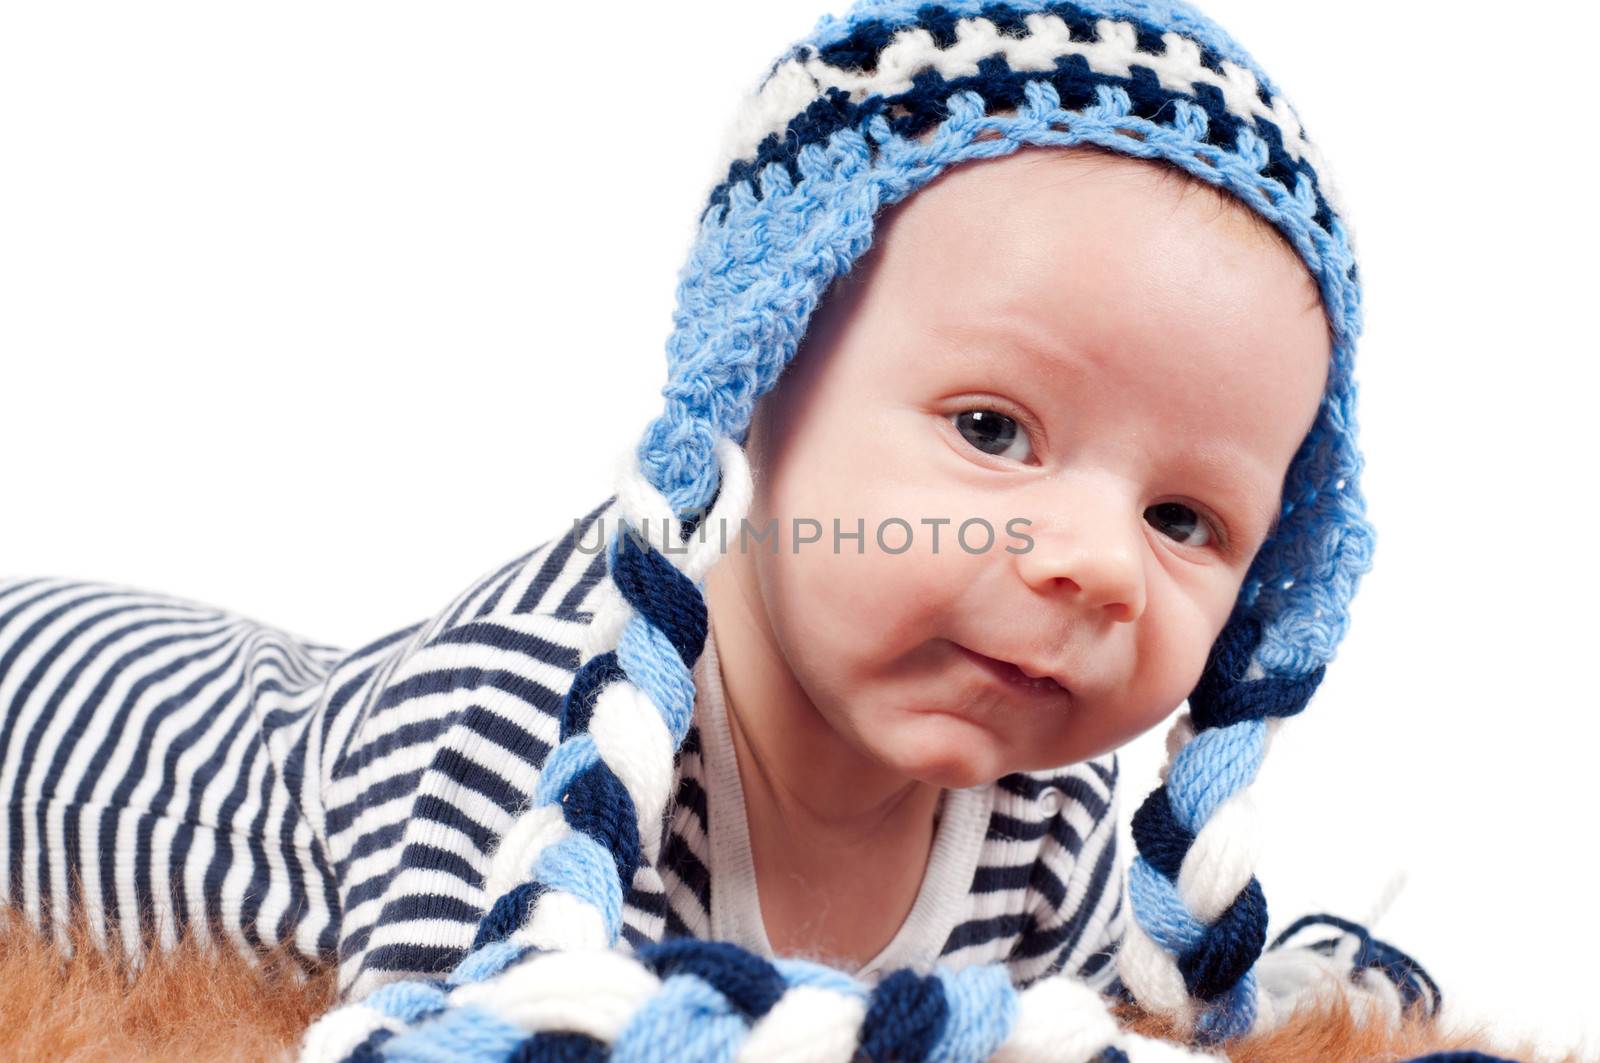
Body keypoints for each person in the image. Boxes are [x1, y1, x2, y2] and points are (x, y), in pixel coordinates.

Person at [0, 1, 1447, 1059]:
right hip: (61, 702)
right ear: (763, 378)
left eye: (1185, 517)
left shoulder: (1046, 831)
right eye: (993, 432)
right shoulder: (530, 712)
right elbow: (463, 1032)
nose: (1098, 562)